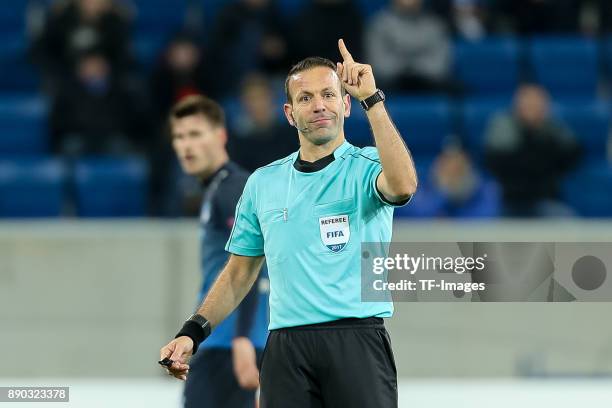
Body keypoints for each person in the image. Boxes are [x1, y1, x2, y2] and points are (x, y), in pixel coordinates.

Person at [160, 39, 418, 407]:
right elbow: (238, 273)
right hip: (284, 345)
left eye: (329, 94)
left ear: (345, 104)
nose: (319, 105)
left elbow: (405, 185)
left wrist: (372, 100)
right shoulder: (263, 183)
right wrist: (192, 332)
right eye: (306, 98)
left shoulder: (368, 166)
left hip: (357, 339)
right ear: (289, 113)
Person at [167, 95, 269, 407]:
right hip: (221, 342)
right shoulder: (216, 189)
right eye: (179, 137)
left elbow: (253, 263)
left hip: (228, 346)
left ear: (221, 136)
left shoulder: (232, 189)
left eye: (196, 134)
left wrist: (242, 340)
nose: (186, 145)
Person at [484, 84, 582, 217]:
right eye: (528, 103)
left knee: (567, 222)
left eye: (538, 103)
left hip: (546, 201)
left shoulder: (554, 129)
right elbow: (501, 164)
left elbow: (574, 153)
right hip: (510, 202)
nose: (533, 108)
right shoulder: (504, 131)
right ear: (517, 106)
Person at [365, 0, 453, 93]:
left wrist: (407, 67)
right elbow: (380, 66)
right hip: (388, 92)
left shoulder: (435, 26)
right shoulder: (378, 25)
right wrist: (414, 66)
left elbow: (439, 68)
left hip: (431, 92)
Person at [228, 73, 298, 172]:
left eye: (261, 97)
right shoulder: (239, 144)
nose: (257, 105)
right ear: (243, 104)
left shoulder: (292, 133)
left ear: (272, 98)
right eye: (251, 99)